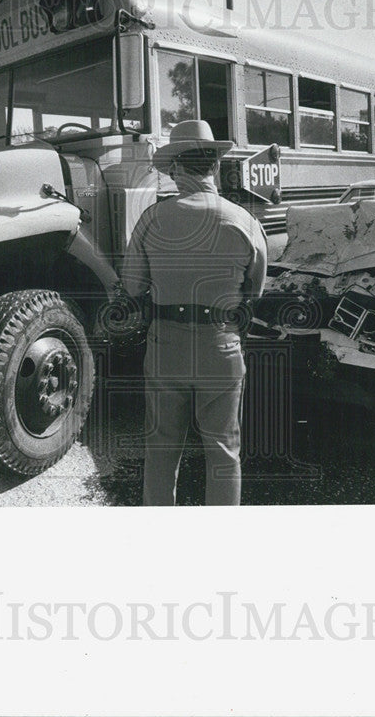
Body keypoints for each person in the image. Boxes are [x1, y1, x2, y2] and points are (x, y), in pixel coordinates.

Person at [121, 120, 268, 506]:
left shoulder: (151, 219)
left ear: (174, 169)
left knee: (162, 448)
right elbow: (254, 293)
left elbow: (133, 287)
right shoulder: (245, 222)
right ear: (215, 167)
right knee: (222, 451)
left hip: (165, 343)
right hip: (221, 345)